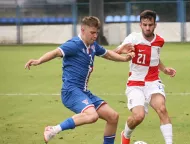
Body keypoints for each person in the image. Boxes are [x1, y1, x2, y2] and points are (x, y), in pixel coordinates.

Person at [25, 16, 134, 144]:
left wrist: (125, 58)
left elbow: (108, 54)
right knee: (92, 115)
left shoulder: (93, 46)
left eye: (96, 33)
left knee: (113, 117)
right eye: (92, 33)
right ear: (83, 30)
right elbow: (55, 52)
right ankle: (53, 130)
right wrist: (38, 61)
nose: (95, 36)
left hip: (83, 91)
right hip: (70, 91)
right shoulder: (74, 44)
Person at [115, 10, 176, 144]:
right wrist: (121, 50)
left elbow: (154, 59)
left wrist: (164, 69)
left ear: (155, 25)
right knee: (138, 116)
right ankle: (125, 135)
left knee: (162, 109)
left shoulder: (159, 41)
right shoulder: (133, 38)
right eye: (145, 24)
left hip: (153, 81)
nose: (147, 28)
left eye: (150, 25)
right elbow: (115, 52)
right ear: (140, 25)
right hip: (135, 83)